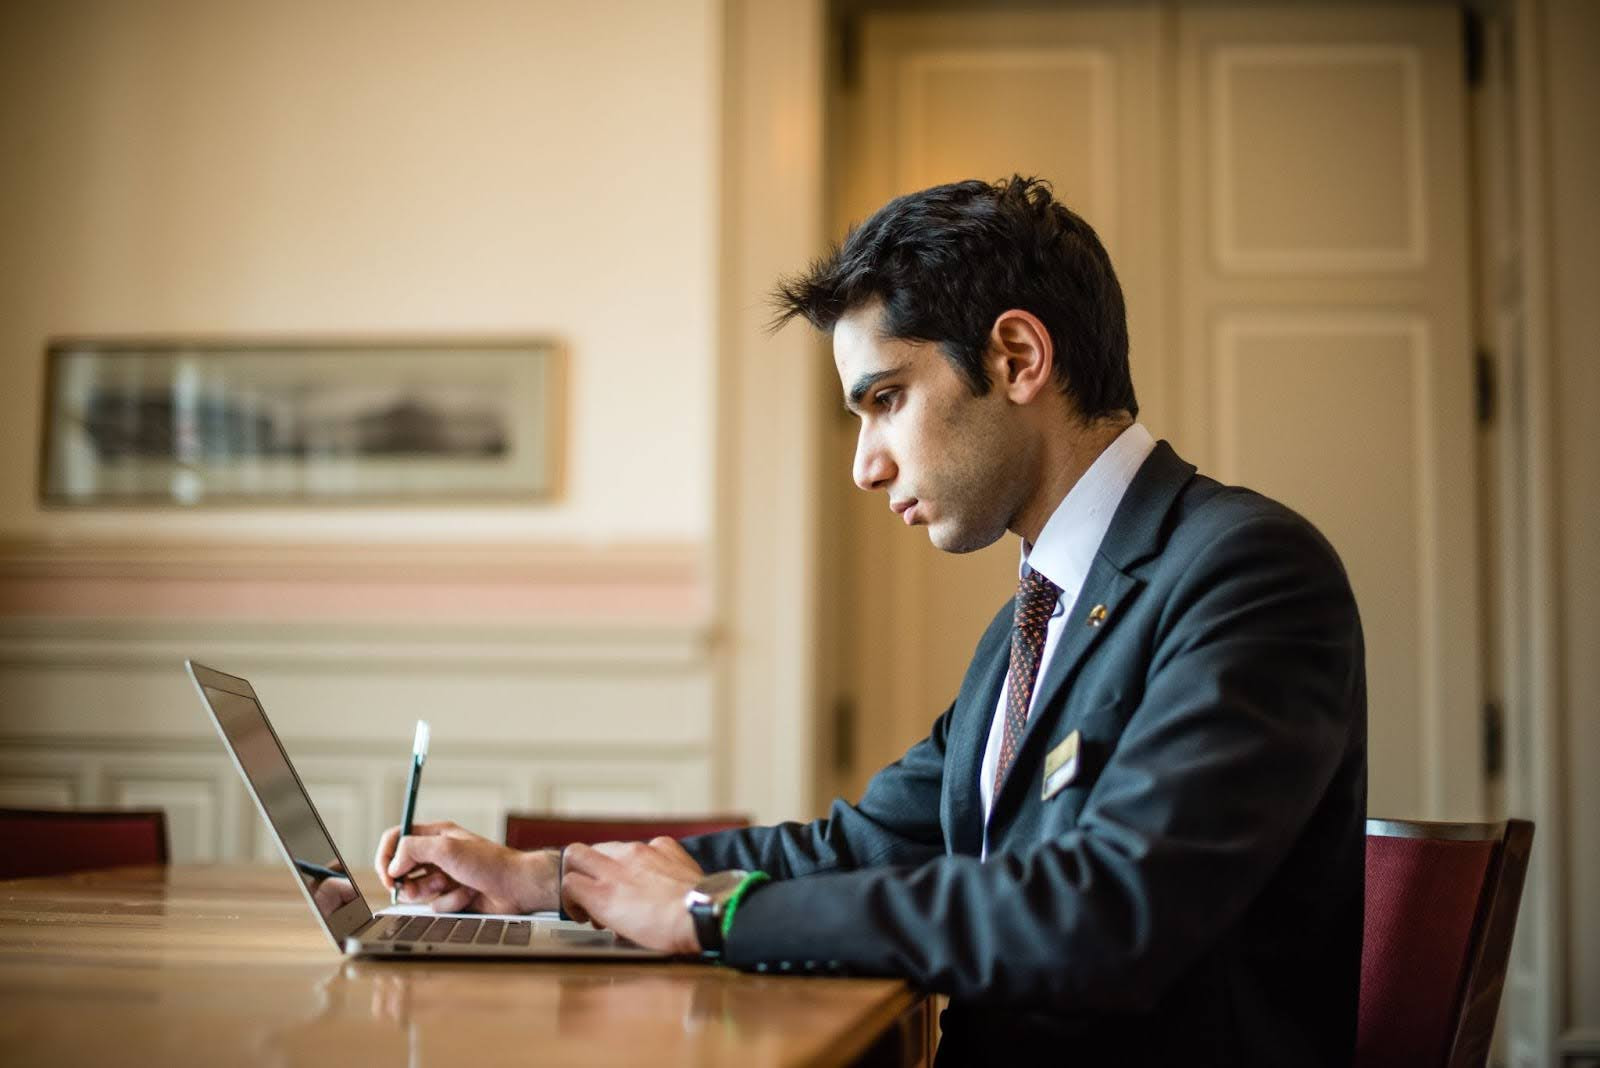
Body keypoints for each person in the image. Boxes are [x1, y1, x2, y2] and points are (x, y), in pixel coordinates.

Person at [375, 176, 1367, 1066]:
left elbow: (1105, 908)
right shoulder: (1030, 619)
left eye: (885, 400)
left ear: (1017, 355)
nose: (865, 463)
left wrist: (710, 914)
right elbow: (859, 847)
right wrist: (545, 881)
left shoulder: (1245, 572)